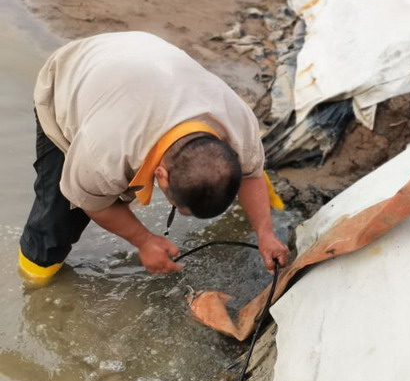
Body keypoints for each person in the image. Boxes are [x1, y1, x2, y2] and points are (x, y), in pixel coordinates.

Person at [19, 31, 289, 281]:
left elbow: (250, 173)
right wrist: (144, 241)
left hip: (143, 59)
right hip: (72, 73)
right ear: (161, 175)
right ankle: (34, 274)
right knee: (59, 218)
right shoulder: (102, 152)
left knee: (233, 171)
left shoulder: (239, 123)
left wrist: (265, 233)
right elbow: (94, 204)